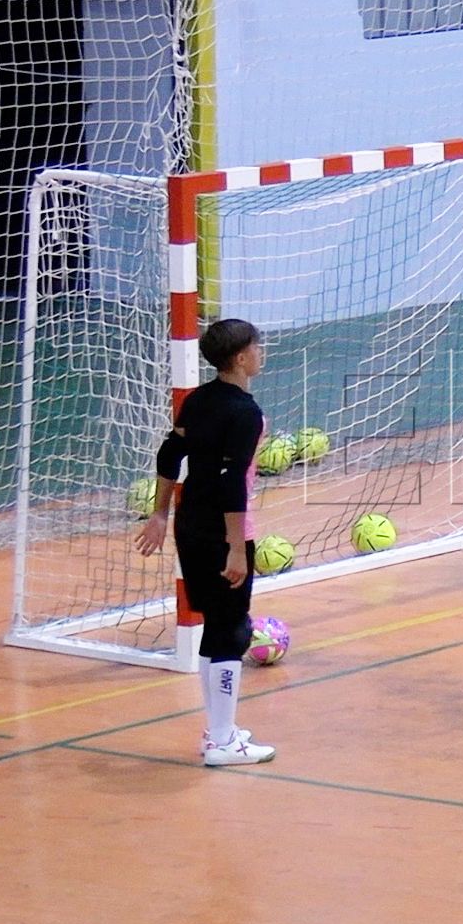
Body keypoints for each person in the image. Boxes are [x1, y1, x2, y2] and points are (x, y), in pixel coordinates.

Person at [134, 318, 276, 765]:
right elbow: (232, 483)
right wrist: (236, 548)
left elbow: (169, 453)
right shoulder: (245, 413)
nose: (261, 353)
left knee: (216, 626)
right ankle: (222, 741)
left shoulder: (198, 399)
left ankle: (219, 731)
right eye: (257, 347)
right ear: (241, 357)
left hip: (190, 523)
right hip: (221, 531)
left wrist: (160, 513)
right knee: (231, 630)